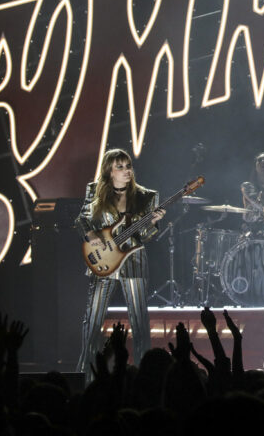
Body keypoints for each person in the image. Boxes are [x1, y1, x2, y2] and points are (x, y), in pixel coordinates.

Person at [75, 148, 165, 378]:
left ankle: (146, 376)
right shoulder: (95, 191)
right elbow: (82, 221)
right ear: (109, 171)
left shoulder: (146, 196)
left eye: (128, 166)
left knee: (140, 321)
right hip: (103, 261)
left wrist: (153, 223)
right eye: (120, 167)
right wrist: (92, 238)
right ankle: (85, 374)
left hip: (133, 261)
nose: (126, 171)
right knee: (93, 320)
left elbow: (144, 236)